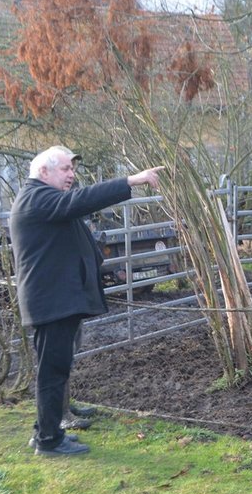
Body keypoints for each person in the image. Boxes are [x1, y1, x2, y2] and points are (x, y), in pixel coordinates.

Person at [10, 145, 163, 456]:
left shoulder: (43, 199)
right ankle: (49, 442)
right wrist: (131, 181)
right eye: (66, 169)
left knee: (55, 369)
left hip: (57, 301)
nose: (72, 175)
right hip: (51, 304)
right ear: (44, 172)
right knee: (52, 371)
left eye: (73, 169)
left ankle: (45, 431)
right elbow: (79, 201)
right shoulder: (37, 197)